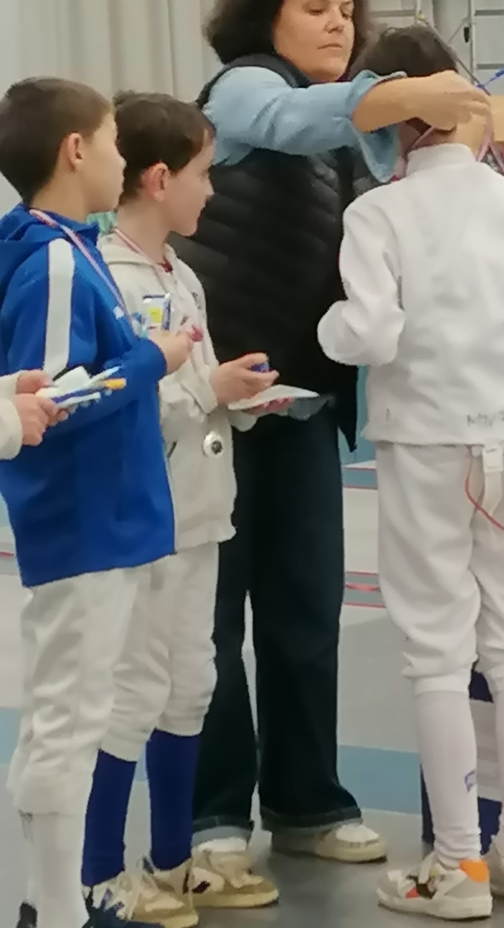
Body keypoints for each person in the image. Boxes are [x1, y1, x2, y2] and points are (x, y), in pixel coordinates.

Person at [174, 0, 490, 887]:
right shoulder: (242, 89)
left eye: (347, 11)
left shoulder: (358, 123)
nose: (338, 24)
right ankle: (213, 814)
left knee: (307, 615)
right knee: (212, 623)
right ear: (266, 17)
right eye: (316, 8)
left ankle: (308, 801)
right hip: (217, 412)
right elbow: (295, 120)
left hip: (307, 406)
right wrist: (403, 90)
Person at [318, 25, 504, 919]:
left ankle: (457, 865)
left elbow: (368, 334)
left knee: (437, 655)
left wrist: (327, 329)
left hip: (424, 449)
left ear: (393, 114)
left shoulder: (379, 214)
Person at [79, 93, 287, 925]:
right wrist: (207, 390)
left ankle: (171, 863)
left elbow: (191, 389)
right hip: (140, 518)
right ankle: (98, 873)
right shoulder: (104, 276)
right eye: (204, 173)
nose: (213, 190)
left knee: (191, 681)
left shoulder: (180, 274)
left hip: (198, 510)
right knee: (132, 688)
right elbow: (114, 398)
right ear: (159, 179)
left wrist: (239, 397)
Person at [0, 79, 191, 928]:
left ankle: (45, 901)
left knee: (74, 711)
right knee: (68, 719)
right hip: (83, 520)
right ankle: (54, 906)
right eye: (113, 142)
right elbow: (51, 402)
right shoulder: (50, 259)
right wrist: (151, 359)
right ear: (75, 151)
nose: (122, 159)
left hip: (108, 518)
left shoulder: (71, 249)